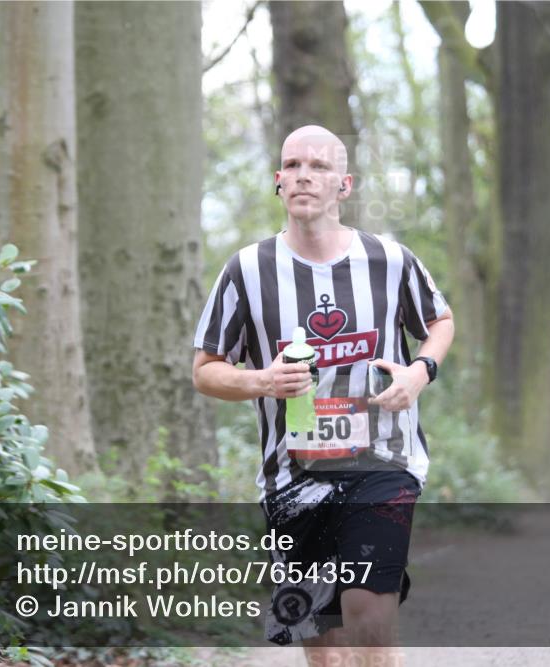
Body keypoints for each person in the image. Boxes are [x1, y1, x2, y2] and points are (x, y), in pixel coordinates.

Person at [192, 125, 454, 666]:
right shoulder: (247, 269)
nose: (303, 175)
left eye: (318, 165)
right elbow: (205, 370)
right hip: (292, 475)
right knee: (325, 643)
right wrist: (263, 381)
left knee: (370, 616)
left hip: (382, 460)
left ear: (344, 184)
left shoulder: (390, 260)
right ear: (278, 182)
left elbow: (440, 320)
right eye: (292, 165)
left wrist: (420, 372)